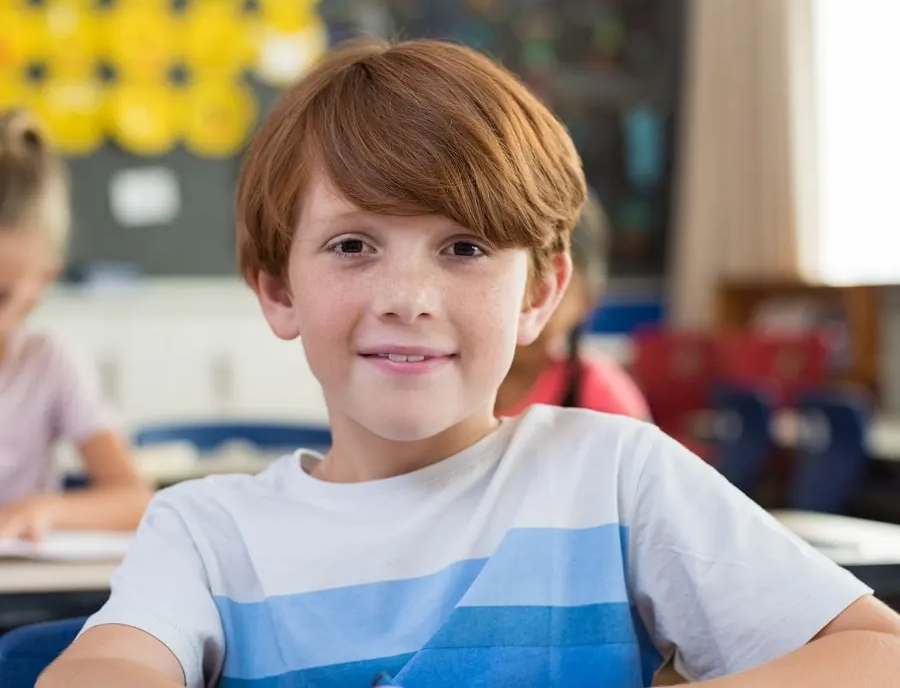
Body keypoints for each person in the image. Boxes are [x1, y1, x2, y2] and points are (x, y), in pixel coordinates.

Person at [41, 39, 900, 688]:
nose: (408, 295)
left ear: (541, 293)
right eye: (352, 244)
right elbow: (112, 665)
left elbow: (874, 652)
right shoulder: (204, 532)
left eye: (464, 246)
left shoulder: (612, 478)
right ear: (276, 288)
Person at [0, 109, 151, 540]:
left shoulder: (48, 362)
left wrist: (44, 509)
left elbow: (135, 500)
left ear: (43, 280)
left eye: (0, 296)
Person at [495, 193, 649, 418]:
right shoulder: (447, 384)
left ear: (588, 300)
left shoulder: (602, 398)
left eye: (542, 290)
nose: (523, 308)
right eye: (511, 287)